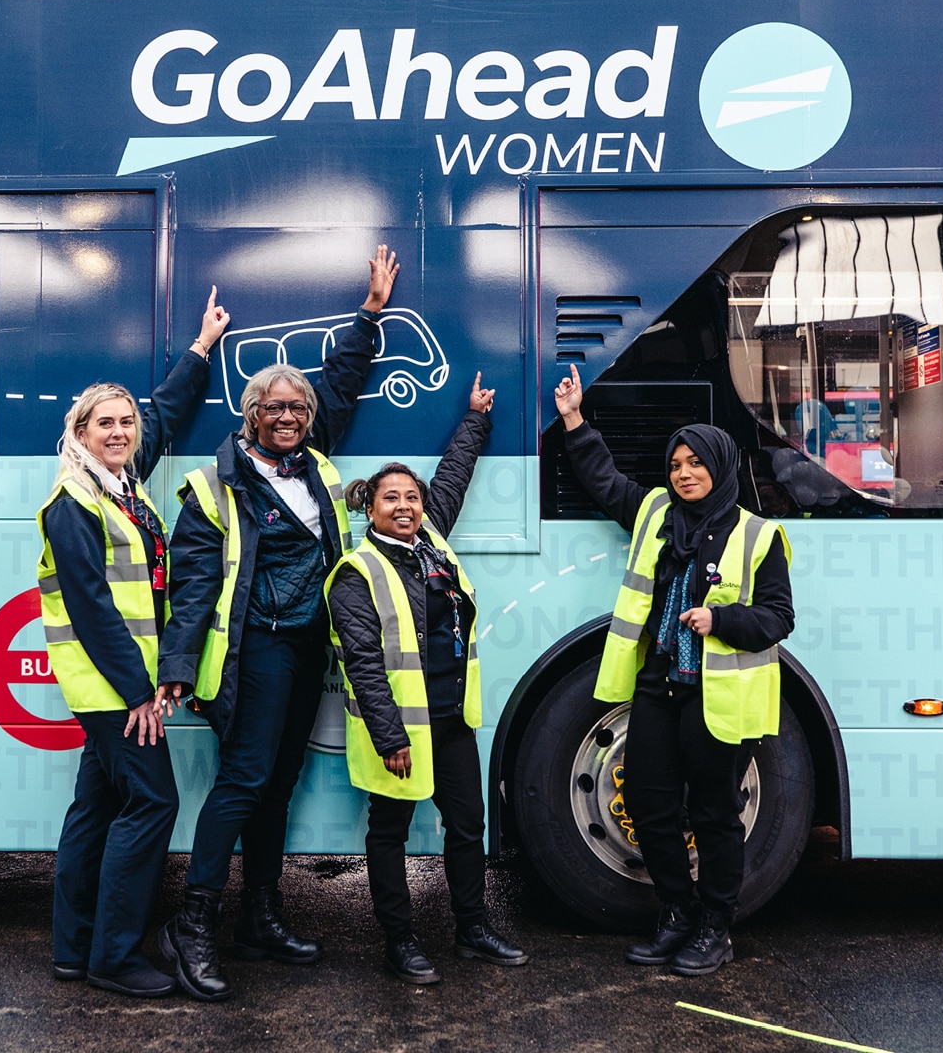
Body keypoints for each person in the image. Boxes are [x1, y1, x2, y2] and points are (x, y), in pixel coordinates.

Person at [156, 246, 397, 1001]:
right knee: (243, 780)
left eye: (298, 409)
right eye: (275, 408)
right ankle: (191, 925)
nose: (290, 417)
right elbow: (193, 590)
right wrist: (178, 671)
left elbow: (343, 387)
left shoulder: (317, 469)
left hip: (302, 651)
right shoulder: (212, 486)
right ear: (250, 416)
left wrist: (368, 317)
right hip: (250, 653)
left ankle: (259, 916)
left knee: (280, 782)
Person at [553, 364, 795, 978]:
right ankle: (675, 912)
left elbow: (778, 617)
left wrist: (723, 621)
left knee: (713, 813)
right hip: (658, 686)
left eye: (696, 464)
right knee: (647, 802)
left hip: (718, 697)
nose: (684, 474)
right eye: (676, 465)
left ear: (720, 467)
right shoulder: (657, 514)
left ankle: (716, 926)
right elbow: (607, 483)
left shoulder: (758, 535)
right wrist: (576, 420)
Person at [38, 288, 230, 998]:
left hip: (117, 688)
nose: (119, 432)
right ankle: (114, 956)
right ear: (80, 433)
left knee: (95, 810)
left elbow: (166, 412)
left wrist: (202, 349)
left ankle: (73, 947)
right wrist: (139, 694)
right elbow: (91, 610)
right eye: (105, 424)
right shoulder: (74, 502)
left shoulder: (120, 487)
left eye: (125, 423)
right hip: (113, 689)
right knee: (152, 804)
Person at [325, 374, 529, 984]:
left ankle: (472, 929)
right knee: (389, 832)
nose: (407, 506)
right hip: (400, 732)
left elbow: (452, 477)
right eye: (392, 499)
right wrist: (390, 738)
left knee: (469, 826)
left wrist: (474, 419)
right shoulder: (357, 571)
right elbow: (361, 663)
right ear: (370, 509)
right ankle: (401, 942)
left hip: (451, 719)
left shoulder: (431, 541)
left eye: (411, 498)